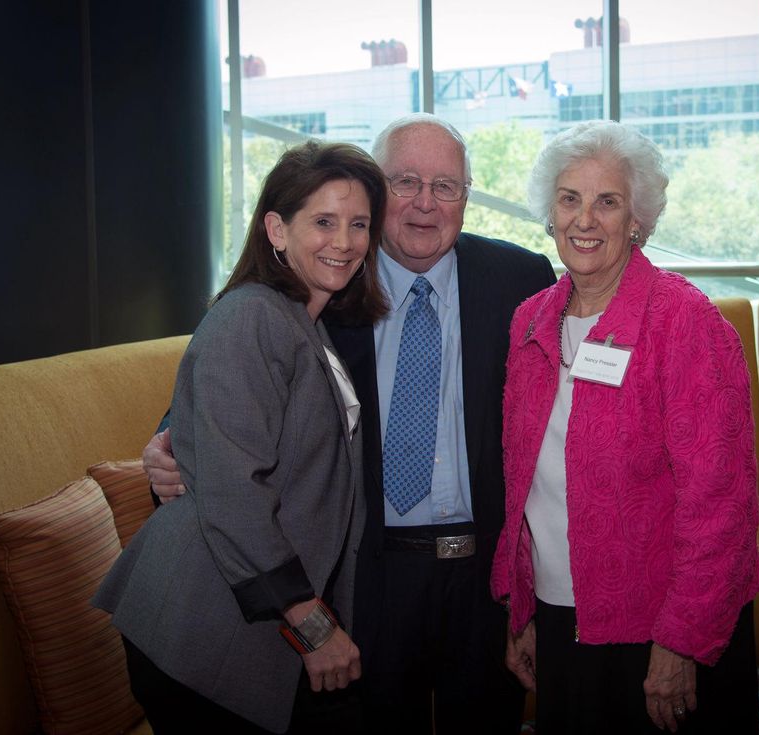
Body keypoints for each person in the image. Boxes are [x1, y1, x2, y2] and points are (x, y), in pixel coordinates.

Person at [142, 114, 557, 734]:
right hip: (368, 577)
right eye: (405, 182)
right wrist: (166, 444)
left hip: (483, 581)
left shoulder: (521, 280)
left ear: (467, 197)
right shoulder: (327, 281)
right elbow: (224, 381)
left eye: (446, 186)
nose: (424, 203)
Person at [94, 140, 390, 734]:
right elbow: (235, 491)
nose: (344, 241)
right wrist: (314, 625)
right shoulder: (251, 316)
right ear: (276, 230)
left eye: (358, 224)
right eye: (324, 222)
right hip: (201, 627)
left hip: (250, 623)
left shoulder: (304, 321)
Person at [490, 120, 759, 734]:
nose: (585, 219)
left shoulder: (684, 321)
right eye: (570, 199)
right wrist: (524, 610)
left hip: (658, 628)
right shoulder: (530, 320)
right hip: (561, 617)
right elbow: (525, 485)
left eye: (607, 202)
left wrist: (683, 640)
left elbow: (721, 503)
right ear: (549, 211)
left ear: (637, 218)